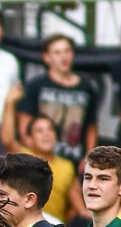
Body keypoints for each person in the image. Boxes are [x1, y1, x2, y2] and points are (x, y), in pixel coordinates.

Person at [0, 97, 85, 223]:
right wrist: (9, 102)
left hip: (53, 226)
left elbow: (73, 202)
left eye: (50, 129)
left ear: (56, 136)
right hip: (22, 224)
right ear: (30, 138)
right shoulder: (23, 157)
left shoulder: (67, 166)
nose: (46, 134)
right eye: (39, 131)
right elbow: (7, 140)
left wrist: (64, 225)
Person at [15, 34, 98, 163]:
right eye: (57, 52)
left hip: (74, 159)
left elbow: (91, 126)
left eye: (67, 51)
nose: (63, 56)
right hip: (42, 161)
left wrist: (89, 157)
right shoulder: (35, 85)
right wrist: (35, 158)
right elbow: (25, 128)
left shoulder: (87, 87)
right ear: (47, 58)